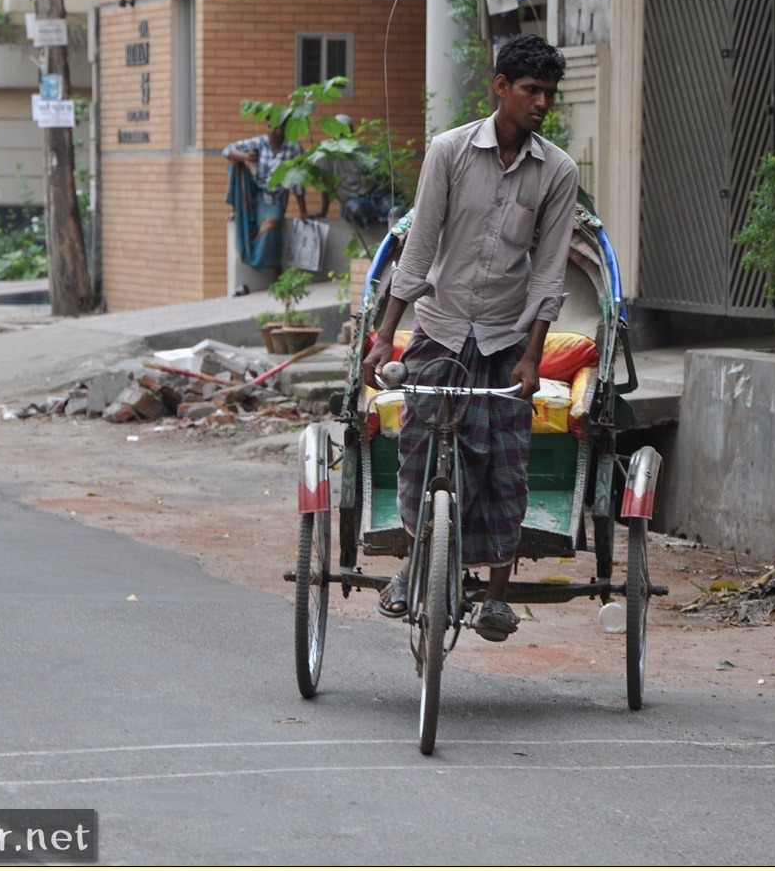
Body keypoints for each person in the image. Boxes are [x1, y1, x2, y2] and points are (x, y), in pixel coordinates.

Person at [361, 34, 579, 642]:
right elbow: (419, 246)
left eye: (549, 94)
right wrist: (386, 335)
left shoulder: (557, 170)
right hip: (442, 327)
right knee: (418, 447)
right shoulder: (449, 151)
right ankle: (411, 566)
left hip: (508, 338)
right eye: (531, 90)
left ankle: (497, 598)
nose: (541, 103)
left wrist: (533, 354)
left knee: (508, 464)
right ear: (501, 87)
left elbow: (549, 271)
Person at [223, 118, 310, 270]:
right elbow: (227, 150)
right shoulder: (259, 142)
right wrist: (245, 157)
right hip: (255, 191)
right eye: (269, 127)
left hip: (275, 198)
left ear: (285, 128)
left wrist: (303, 210)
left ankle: (270, 263)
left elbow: (298, 182)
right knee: (234, 164)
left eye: (277, 128)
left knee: (271, 224)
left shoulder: (294, 148)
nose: (273, 131)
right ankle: (236, 209)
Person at [313, 114, 392, 230]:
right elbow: (326, 187)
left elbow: (381, 176)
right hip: (352, 200)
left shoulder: (364, 149)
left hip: (374, 194)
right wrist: (323, 212)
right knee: (358, 208)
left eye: (346, 130)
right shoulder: (325, 155)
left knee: (391, 206)